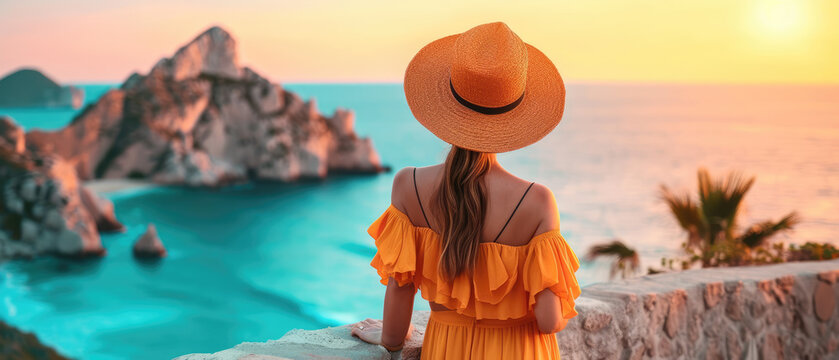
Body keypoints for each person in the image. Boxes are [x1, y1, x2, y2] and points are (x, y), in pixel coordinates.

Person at [351, 21, 581, 359]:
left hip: (446, 348)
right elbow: (549, 322)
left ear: (447, 104)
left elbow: (399, 296)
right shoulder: (537, 201)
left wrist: (390, 336)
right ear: (515, 112)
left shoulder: (408, 185)